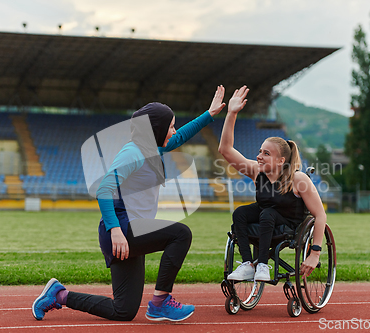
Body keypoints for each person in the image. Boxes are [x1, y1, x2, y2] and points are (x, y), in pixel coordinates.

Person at [32, 86, 226, 322]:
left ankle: (59, 295)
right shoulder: (134, 152)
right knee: (181, 234)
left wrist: (209, 114)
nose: (174, 130)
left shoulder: (151, 148)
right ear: (156, 129)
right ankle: (160, 302)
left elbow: (180, 137)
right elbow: (104, 190)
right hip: (122, 230)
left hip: (131, 232)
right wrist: (116, 230)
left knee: (123, 311)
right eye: (171, 125)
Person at [218, 86, 326, 282]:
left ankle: (262, 265)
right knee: (240, 213)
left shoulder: (298, 179)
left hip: (289, 227)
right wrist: (232, 113)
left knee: (267, 213)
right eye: (260, 151)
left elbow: (320, 215)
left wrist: (315, 253)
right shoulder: (257, 171)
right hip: (266, 221)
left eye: (266, 154)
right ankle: (248, 264)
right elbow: (225, 149)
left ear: (280, 161)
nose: (259, 156)